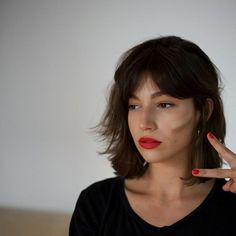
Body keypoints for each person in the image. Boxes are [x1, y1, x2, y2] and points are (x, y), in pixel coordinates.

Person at [69, 36, 236, 235]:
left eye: (164, 104)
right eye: (134, 105)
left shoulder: (232, 204)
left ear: (204, 110)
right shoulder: (96, 204)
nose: (144, 123)